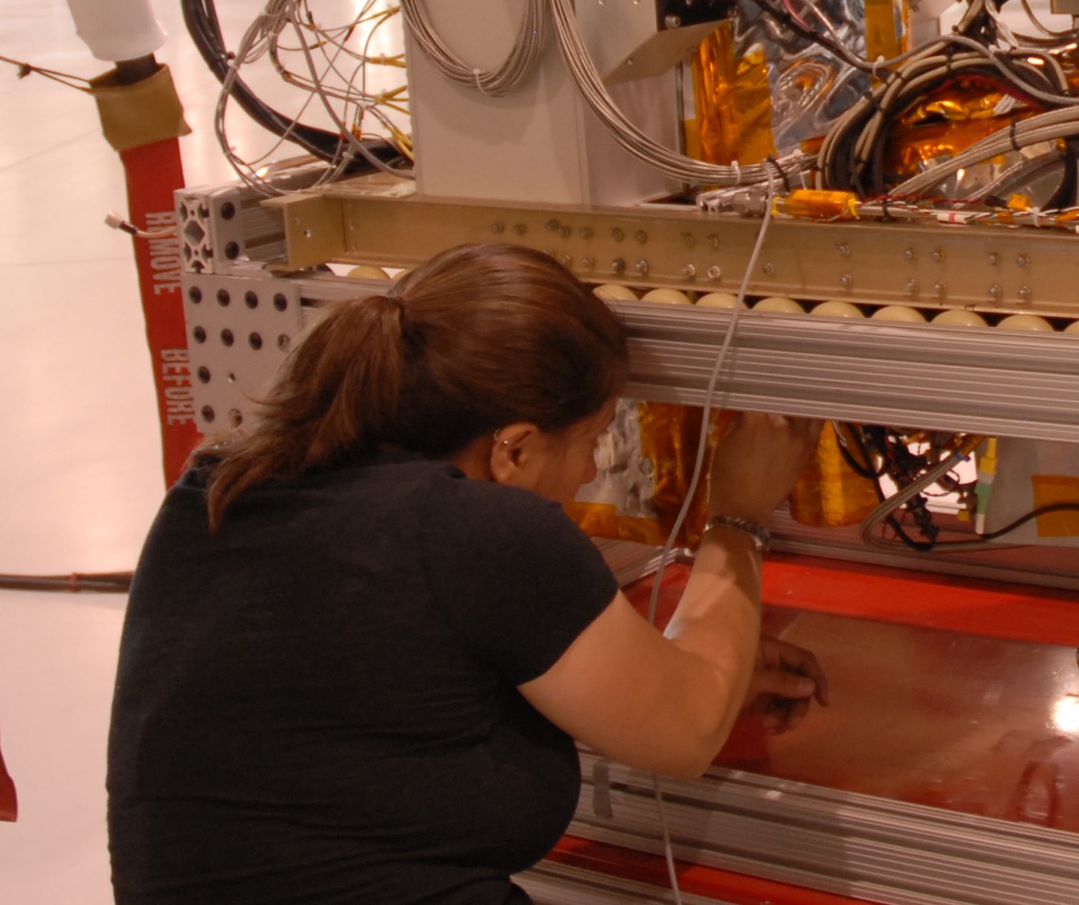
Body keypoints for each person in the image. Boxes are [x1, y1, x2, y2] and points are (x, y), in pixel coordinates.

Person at [107, 243, 826, 904]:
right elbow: (686, 730)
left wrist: (674, 662)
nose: (591, 471)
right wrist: (736, 518)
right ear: (512, 448)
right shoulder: (482, 532)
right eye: (594, 438)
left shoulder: (218, 490)